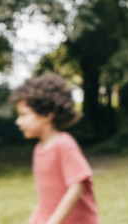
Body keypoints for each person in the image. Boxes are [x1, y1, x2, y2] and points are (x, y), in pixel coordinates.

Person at [11, 73, 100, 224]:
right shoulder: (38, 149)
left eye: (23, 115)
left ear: (47, 115)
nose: (18, 121)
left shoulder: (64, 144)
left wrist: (53, 221)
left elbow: (76, 186)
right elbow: (46, 197)